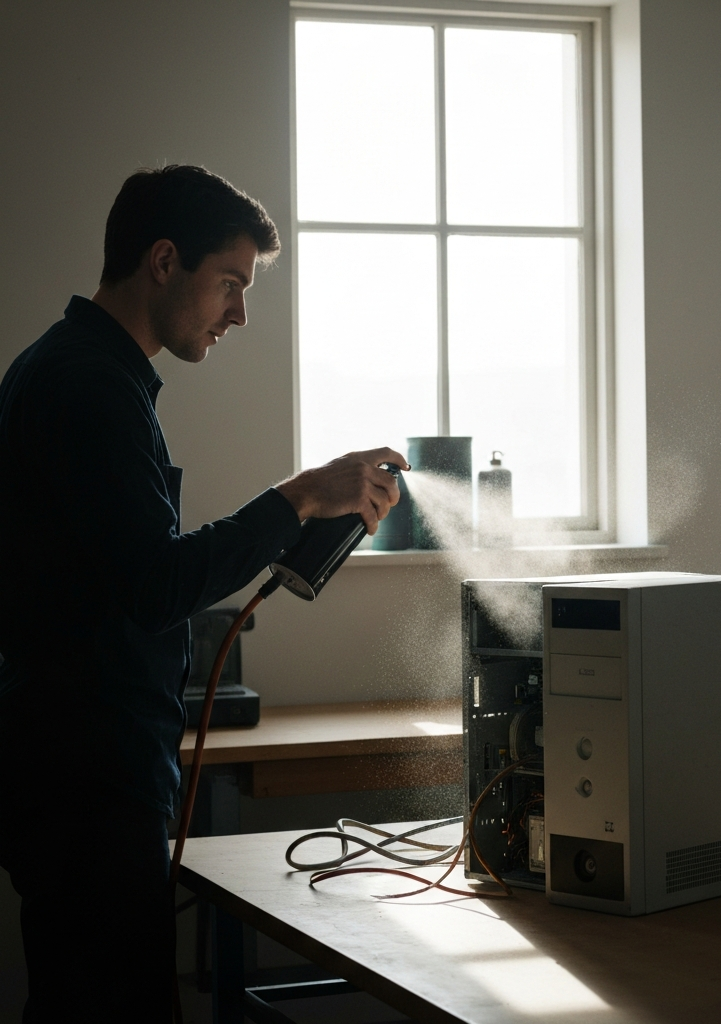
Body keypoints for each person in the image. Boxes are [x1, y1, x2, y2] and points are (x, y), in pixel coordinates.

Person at [0, 165, 409, 1022]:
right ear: (161, 261)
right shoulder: (90, 387)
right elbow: (156, 585)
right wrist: (297, 499)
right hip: (91, 780)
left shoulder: (78, 371)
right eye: (230, 283)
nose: (240, 313)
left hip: (73, 770)